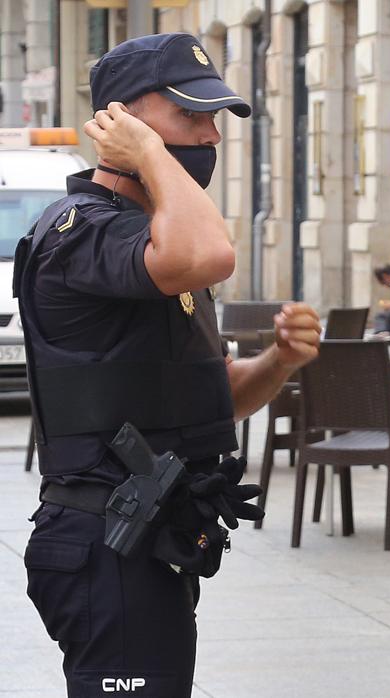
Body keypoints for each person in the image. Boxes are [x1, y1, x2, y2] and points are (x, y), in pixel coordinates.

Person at [17, 33, 322, 697]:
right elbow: (212, 255)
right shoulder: (86, 231)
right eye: (189, 115)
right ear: (119, 121)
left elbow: (208, 401)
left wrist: (278, 360)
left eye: (214, 118)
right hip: (104, 541)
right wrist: (153, 155)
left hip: (147, 541)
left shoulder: (160, 234)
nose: (209, 134)